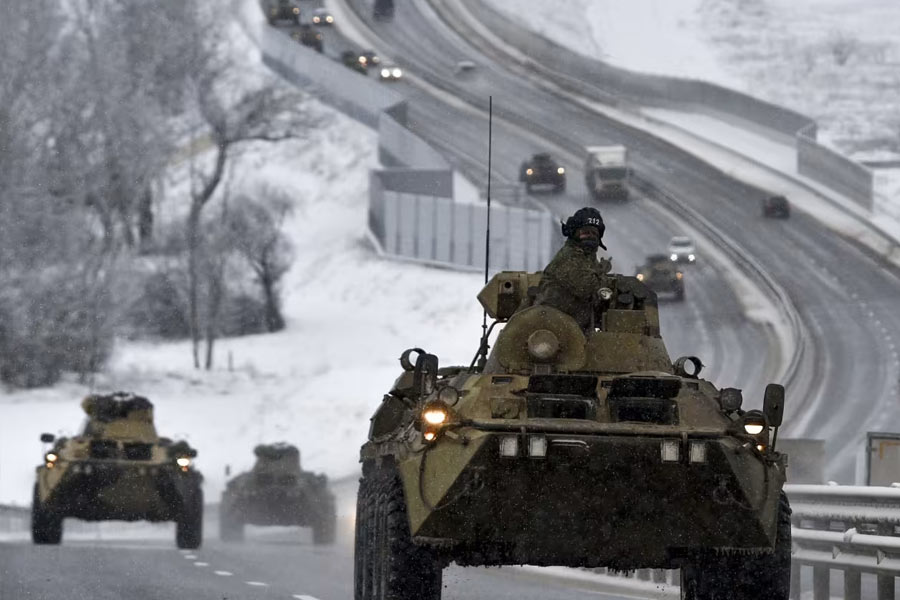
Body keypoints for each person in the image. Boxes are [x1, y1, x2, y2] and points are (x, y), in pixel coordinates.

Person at [533, 207, 610, 330]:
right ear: (574, 233)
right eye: (585, 232)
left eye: (594, 233)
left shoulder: (587, 257)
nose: (590, 237)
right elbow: (587, 287)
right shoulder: (569, 257)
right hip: (551, 327)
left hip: (573, 326)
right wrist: (601, 273)